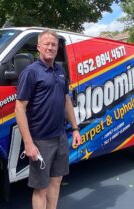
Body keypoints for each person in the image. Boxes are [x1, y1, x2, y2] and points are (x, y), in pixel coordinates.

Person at [15, 30, 82, 209]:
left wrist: (75, 129)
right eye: (46, 44)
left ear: (57, 48)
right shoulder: (31, 72)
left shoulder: (60, 71)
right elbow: (20, 108)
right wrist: (28, 143)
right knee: (41, 188)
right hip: (40, 139)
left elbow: (66, 100)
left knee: (56, 180)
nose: (50, 47)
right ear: (39, 47)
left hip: (60, 136)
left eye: (53, 44)